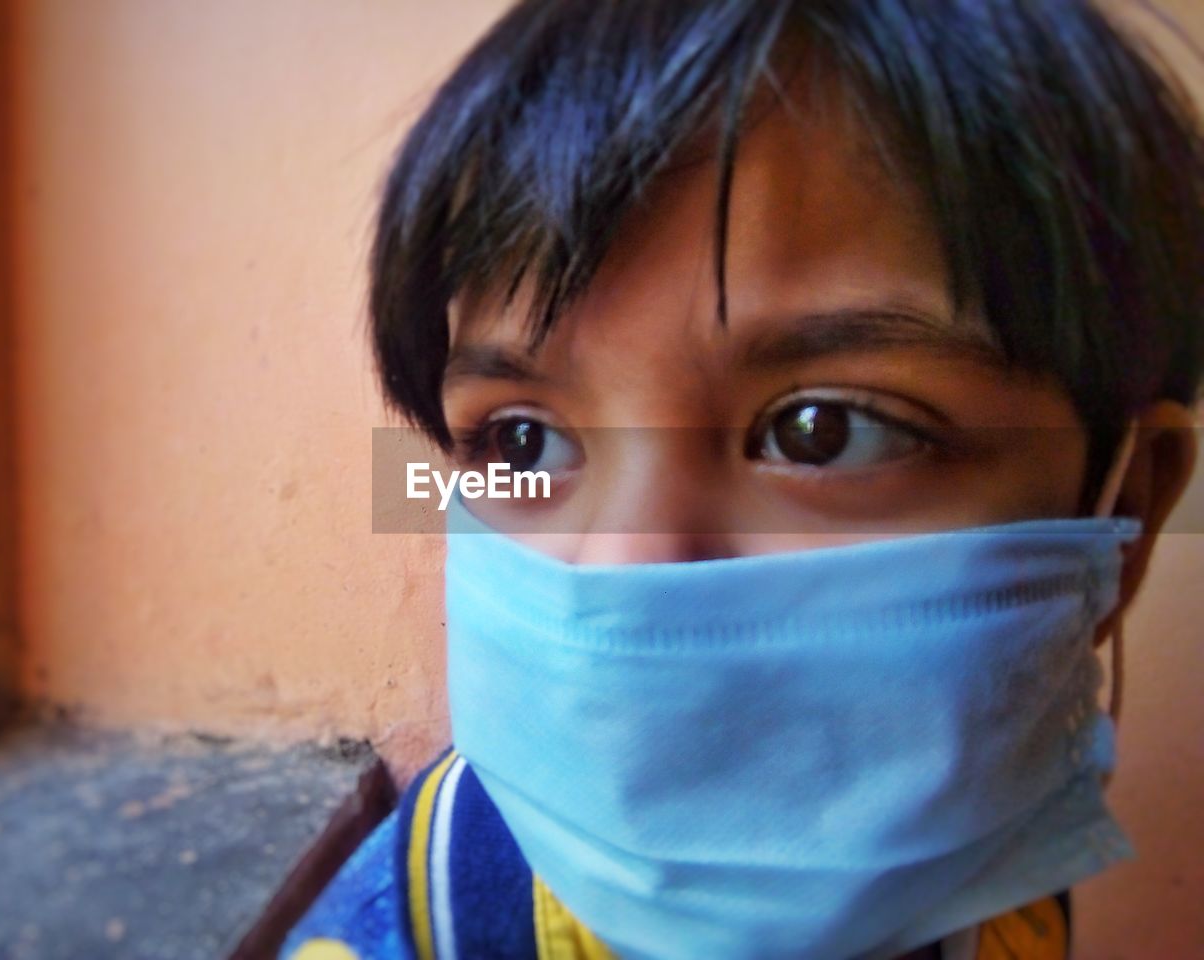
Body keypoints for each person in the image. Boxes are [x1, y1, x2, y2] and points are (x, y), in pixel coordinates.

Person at [282, 1, 1203, 957]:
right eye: (521, 443)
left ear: (1125, 513)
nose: (623, 576)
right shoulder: (414, 927)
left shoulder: (1002, 896)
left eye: (822, 432)